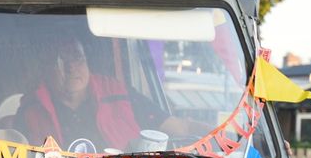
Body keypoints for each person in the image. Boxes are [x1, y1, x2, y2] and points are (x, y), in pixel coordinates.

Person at [11, 35, 195, 151]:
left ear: (87, 62)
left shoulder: (120, 95)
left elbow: (181, 128)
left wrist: (221, 135)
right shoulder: (30, 110)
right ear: (46, 70)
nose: (71, 67)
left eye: (77, 58)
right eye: (61, 61)